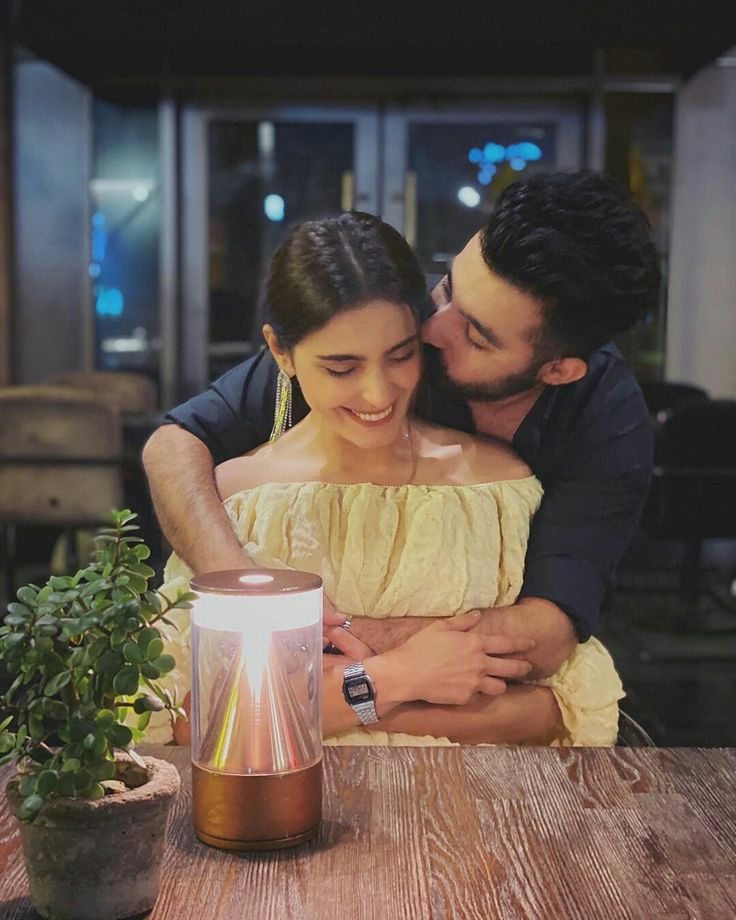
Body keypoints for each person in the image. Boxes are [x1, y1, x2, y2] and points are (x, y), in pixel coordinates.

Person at [143, 170, 658, 692]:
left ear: (557, 371)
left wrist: (339, 643)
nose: (432, 329)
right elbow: (174, 443)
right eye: (448, 289)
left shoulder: (605, 421)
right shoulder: (393, 334)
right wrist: (242, 587)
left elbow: (548, 631)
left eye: (475, 336)